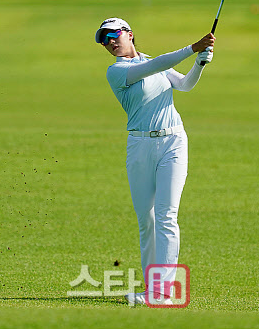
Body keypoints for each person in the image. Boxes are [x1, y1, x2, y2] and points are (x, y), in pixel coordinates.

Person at [95, 17, 215, 305]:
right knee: (146, 220)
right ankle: (152, 288)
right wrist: (192, 47)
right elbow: (154, 66)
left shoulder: (152, 62)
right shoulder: (118, 71)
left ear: (129, 34)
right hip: (139, 146)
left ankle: (161, 293)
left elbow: (184, 85)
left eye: (113, 34)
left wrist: (199, 61)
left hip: (173, 142)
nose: (109, 42)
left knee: (166, 215)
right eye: (103, 39)